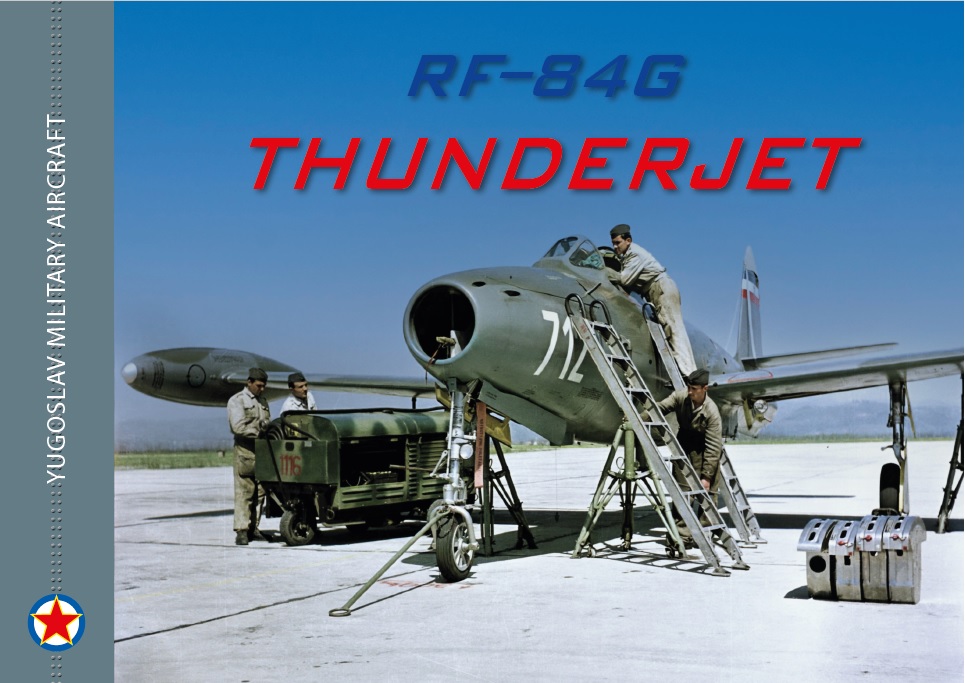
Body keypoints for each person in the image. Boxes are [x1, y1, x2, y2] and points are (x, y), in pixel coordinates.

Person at [606, 223, 697, 377]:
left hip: (661, 288)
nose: (615, 247)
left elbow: (624, 279)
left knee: (673, 329)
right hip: (655, 290)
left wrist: (604, 270)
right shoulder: (626, 256)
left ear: (628, 240)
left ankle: (690, 374)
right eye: (613, 243)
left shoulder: (635, 254)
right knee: (671, 329)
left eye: (618, 243)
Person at [655, 367, 722, 548]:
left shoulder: (712, 412)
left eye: (694, 389)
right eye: (689, 387)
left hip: (704, 450)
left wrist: (707, 476)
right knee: (682, 494)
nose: (690, 392)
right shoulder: (680, 397)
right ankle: (682, 537)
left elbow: (713, 447)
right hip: (684, 446)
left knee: (708, 496)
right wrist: (638, 417)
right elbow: (661, 407)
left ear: (705, 389)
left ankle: (705, 534)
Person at [227, 367, 271, 546]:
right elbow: (237, 427)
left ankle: (254, 528)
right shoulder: (237, 400)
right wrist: (259, 432)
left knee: (260, 492)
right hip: (245, 451)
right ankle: (242, 531)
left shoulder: (263, 401)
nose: (262, 389)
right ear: (249, 382)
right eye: (259, 385)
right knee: (244, 491)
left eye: (264, 386)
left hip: (261, 451)